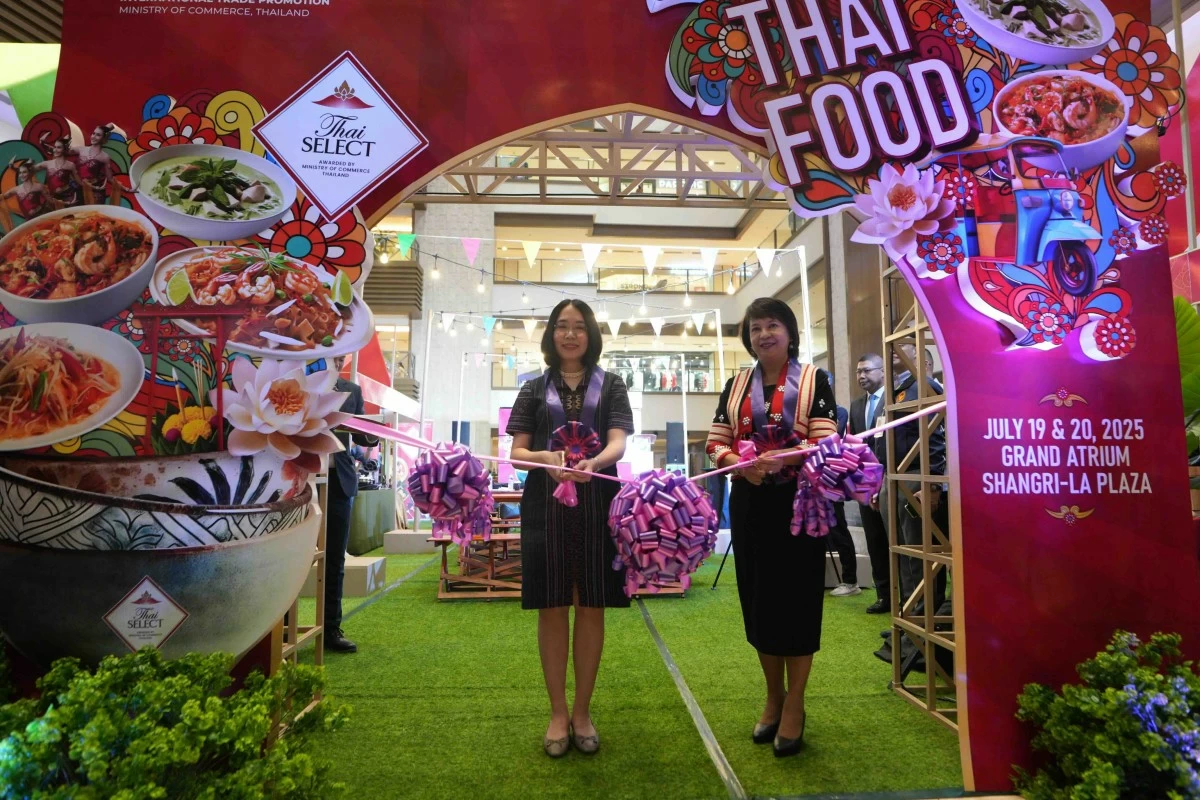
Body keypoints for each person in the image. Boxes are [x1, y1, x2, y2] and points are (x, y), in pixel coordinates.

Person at [705, 297, 837, 758]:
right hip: (750, 501)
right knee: (759, 599)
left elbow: (826, 440)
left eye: (773, 325)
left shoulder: (815, 379)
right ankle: (773, 696)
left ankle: (796, 702)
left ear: (790, 331)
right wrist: (739, 465)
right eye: (756, 327)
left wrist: (784, 457)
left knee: (797, 602)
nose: (764, 334)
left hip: (801, 505)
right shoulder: (736, 383)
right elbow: (716, 442)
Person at [508, 299, 634, 758]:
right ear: (550, 334)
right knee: (553, 605)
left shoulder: (613, 385)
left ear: (591, 335)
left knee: (592, 605)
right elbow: (517, 452)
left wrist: (595, 463)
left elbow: (619, 440)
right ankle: (557, 712)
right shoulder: (533, 389)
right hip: (546, 506)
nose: (570, 334)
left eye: (579, 327)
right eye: (561, 326)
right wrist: (544, 459)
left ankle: (583, 711)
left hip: (599, 501)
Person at [325, 354, 379, 654]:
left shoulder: (352, 390)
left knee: (335, 558)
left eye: (339, 354)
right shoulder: (296, 383)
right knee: (296, 557)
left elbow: (363, 436)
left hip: (339, 480)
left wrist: (372, 433)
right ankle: (284, 626)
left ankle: (330, 627)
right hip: (301, 478)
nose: (335, 358)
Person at [848, 353, 890, 614]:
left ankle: (905, 598)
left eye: (867, 370)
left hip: (892, 481)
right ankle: (884, 595)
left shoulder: (894, 399)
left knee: (894, 540)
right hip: (866, 483)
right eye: (858, 372)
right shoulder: (855, 405)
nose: (862, 376)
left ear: (882, 371)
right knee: (874, 540)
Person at [823, 371, 860, 598]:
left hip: (831, 479)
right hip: (807, 479)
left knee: (838, 529)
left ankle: (850, 581)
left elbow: (831, 435)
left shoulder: (839, 412)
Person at [35, 134, 82, 207]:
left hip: (68, 196)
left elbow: (79, 182)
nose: (55, 150)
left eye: (59, 147)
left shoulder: (70, 165)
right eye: (54, 147)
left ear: (65, 149)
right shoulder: (48, 163)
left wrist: (91, 186)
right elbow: (31, 169)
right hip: (54, 197)